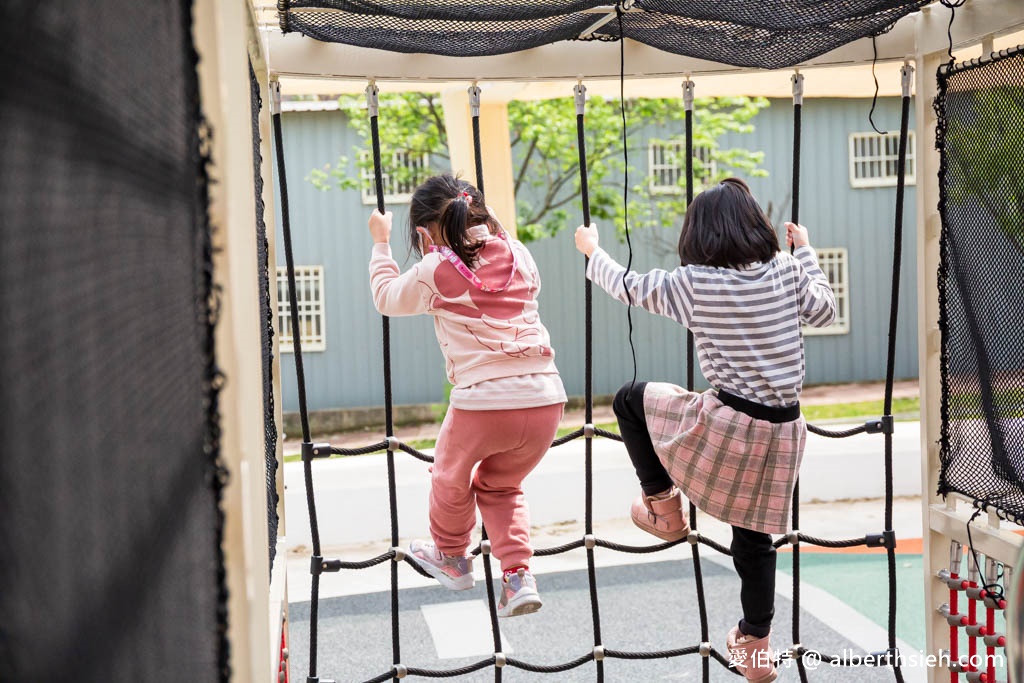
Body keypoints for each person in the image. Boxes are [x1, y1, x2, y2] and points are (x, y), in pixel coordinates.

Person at [574, 177, 836, 682]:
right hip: (784, 429)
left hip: (730, 419)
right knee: (753, 538)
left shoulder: (693, 282)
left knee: (630, 400)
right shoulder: (784, 271)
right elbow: (824, 308)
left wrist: (593, 253)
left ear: (699, 234)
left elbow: (628, 287)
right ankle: (756, 646)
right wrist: (804, 251)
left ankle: (664, 508)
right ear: (755, 226)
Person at [368, 173, 566, 617]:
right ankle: (518, 577)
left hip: (484, 402)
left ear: (422, 234)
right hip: (546, 399)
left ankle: (453, 557)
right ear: (481, 215)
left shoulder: (436, 270)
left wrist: (381, 244)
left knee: (449, 475)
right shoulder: (519, 255)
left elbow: (385, 296)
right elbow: (499, 234)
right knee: (502, 486)